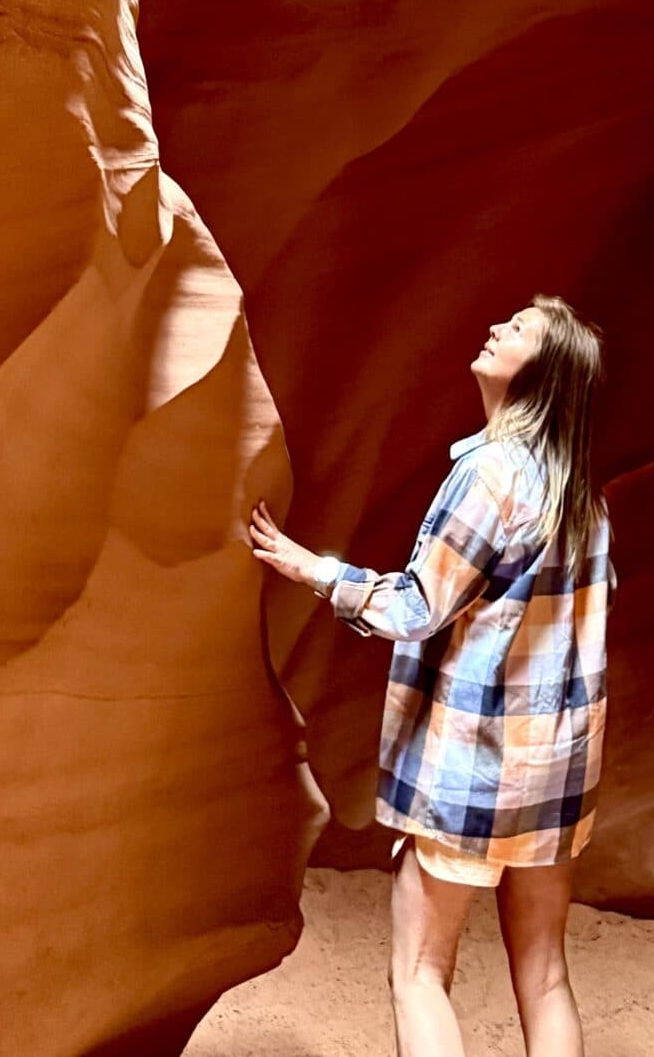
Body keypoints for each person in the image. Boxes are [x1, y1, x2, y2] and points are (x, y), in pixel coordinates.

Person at [249, 294, 615, 1057]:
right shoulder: (580, 496)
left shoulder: (490, 475)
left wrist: (310, 569)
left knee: (418, 971)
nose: (494, 328)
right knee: (545, 972)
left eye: (517, 329)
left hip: (473, 771)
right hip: (555, 774)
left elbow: (417, 608)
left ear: (541, 373)